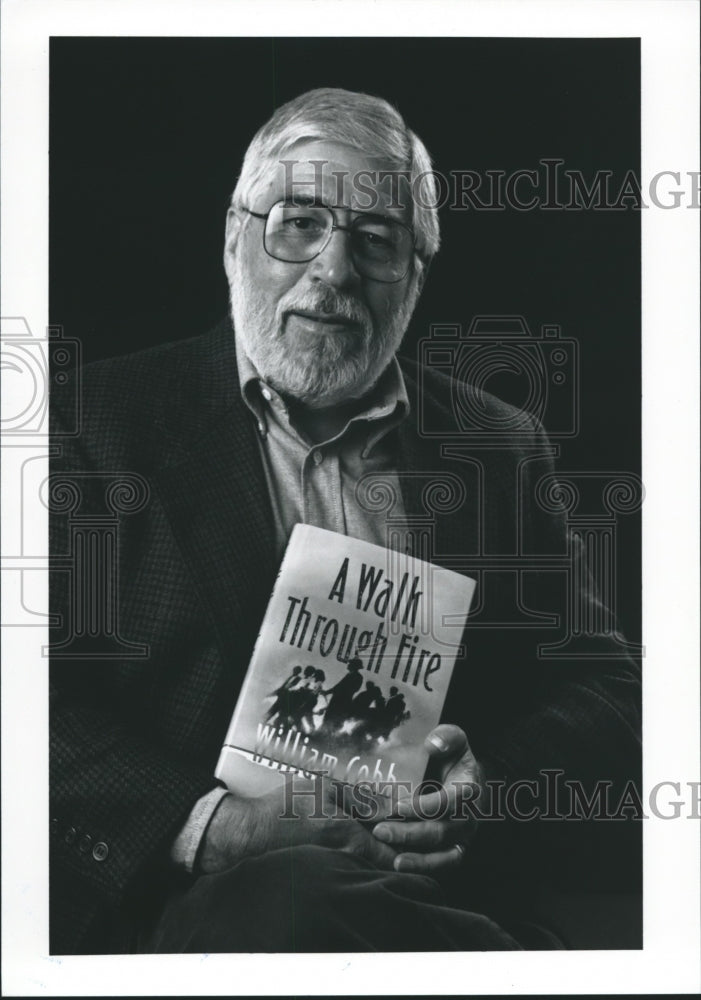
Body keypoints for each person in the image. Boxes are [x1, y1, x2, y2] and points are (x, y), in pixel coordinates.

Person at [49, 87, 641, 954]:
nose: (332, 272)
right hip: (177, 912)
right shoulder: (82, 424)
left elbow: (610, 690)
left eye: (376, 242)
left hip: (419, 890)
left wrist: (488, 780)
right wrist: (210, 827)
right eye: (298, 223)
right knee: (281, 903)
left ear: (415, 275)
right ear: (231, 237)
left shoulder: (497, 444)